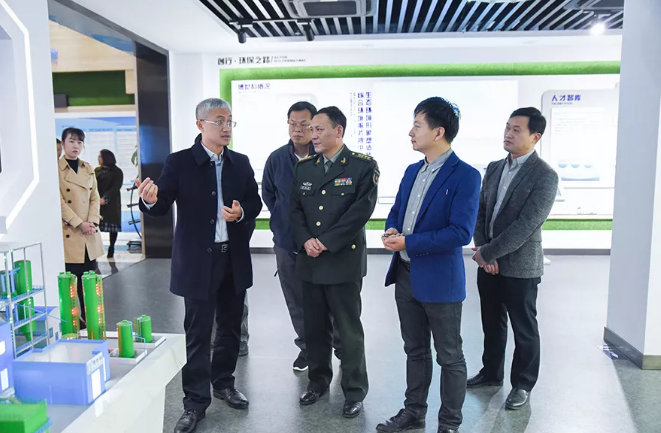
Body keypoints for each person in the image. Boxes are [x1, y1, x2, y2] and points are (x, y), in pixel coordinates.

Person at [137, 98, 262, 433]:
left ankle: (224, 383)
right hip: (197, 262)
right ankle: (194, 402)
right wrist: (149, 200)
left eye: (230, 121)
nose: (226, 127)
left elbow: (255, 201)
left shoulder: (240, 162)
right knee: (198, 333)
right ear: (200, 125)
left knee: (231, 328)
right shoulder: (179, 162)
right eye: (219, 121)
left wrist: (242, 212)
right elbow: (161, 203)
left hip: (233, 258)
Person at [377, 98, 481, 433]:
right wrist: (392, 230)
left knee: (449, 355)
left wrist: (409, 243)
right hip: (406, 275)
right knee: (415, 351)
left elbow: (460, 232)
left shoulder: (465, 176)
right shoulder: (413, 171)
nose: (411, 132)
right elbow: (397, 211)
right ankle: (414, 412)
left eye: (417, 125)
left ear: (438, 132)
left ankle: (449, 423)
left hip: (440, 281)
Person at [290, 106, 378, 418]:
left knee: (348, 331)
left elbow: (360, 212)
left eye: (319, 129)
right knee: (314, 329)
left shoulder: (362, 166)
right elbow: (294, 209)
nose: (312, 135)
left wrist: (326, 241)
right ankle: (317, 382)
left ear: (338, 131)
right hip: (310, 261)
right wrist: (306, 240)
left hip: (342, 261)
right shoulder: (304, 168)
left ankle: (354, 391)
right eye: (311, 129)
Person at [469, 107, 558, 410]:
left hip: (521, 266)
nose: (508, 134)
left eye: (516, 129)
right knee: (491, 323)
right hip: (488, 262)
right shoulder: (494, 168)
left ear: (535, 137)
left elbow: (526, 225)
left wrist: (487, 253)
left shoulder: (545, 176)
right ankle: (491, 373)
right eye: (507, 127)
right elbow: (481, 212)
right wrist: (483, 248)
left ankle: (522, 384)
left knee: (524, 327)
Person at [262, 101, 342, 372]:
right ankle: (307, 348)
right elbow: (269, 194)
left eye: (304, 124)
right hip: (287, 242)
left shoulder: (326, 156)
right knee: (296, 300)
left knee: (331, 300)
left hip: (322, 244)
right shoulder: (276, 159)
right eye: (292, 124)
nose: (297, 129)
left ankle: (340, 347)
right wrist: (283, 218)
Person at [58, 128, 104, 329]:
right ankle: (75, 325)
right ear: (63, 143)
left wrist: (92, 222)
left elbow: (95, 197)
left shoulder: (88, 168)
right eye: (71, 141)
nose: (76, 146)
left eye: (79, 142)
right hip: (71, 233)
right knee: (72, 284)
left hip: (89, 233)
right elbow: (59, 202)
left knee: (91, 282)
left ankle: (92, 321)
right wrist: (79, 223)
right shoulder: (55, 169)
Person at [95, 149, 124, 259]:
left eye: (100, 157)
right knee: (96, 225)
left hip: (111, 203)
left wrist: (105, 198)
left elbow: (116, 187)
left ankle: (112, 247)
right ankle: (96, 249)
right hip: (97, 202)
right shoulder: (97, 170)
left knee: (112, 227)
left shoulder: (117, 172)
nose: (98, 159)